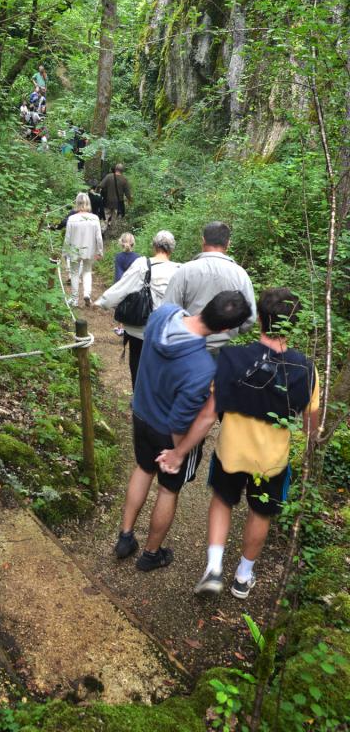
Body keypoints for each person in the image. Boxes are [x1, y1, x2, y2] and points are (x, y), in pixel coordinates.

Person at [157, 288, 319, 600]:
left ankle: (214, 569)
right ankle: (243, 577)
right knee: (260, 512)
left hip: (230, 452)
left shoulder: (232, 357)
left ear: (259, 318)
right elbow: (312, 426)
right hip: (271, 461)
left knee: (222, 500)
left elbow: (207, 416)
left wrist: (179, 452)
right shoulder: (305, 369)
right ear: (294, 324)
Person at [113, 291, 252, 570]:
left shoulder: (163, 315)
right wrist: (178, 453)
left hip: (142, 413)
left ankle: (125, 536)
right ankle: (151, 554)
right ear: (225, 329)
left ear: (207, 305)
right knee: (167, 490)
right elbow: (179, 422)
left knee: (142, 469)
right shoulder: (201, 368)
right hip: (167, 432)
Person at [96, 231, 178, 383]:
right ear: (172, 249)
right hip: (167, 330)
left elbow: (122, 287)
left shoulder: (142, 264)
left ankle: (139, 398)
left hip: (140, 329)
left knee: (138, 363)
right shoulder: (180, 270)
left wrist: (104, 302)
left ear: (154, 246)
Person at [163, 221, 256, 353]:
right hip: (225, 352)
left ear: (203, 240)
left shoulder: (184, 271)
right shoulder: (240, 274)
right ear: (228, 243)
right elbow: (249, 320)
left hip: (187, 349)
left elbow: (168, 312)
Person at [63, 192, 103, 307]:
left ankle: (74, 299)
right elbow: (99, 237)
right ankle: (87, 294)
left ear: (77, 203)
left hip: (74, 250)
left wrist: (65, 252)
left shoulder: (72, 218)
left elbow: (67, 238)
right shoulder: (94, 218)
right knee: (87, 272)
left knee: (74, 273)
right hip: (89, 250)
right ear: (88, 203)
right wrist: (100, 251)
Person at [99, 163, 132, 228]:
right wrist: (130, 200)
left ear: (115, 169)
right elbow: (127, 193)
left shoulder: (108, 176)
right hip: (118, 203)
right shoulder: (124, 180)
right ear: (122, 171)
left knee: (105, 216)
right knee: (114, 218)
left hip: (107, 201)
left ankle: (102, 230)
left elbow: (100, 186)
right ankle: (112, 232)